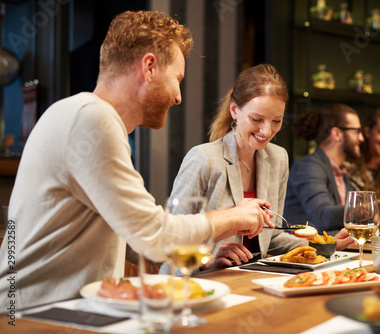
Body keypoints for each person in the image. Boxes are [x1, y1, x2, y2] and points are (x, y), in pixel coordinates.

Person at [0, 11, 274, 310]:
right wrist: (234, 216)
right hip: (28, 316)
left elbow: (135, 241)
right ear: (149, 67)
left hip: (56, 310)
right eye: (177, 79)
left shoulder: (83, 115)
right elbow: (154, 235)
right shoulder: (92, 120)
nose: (178, 96)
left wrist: (216, 235)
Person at [166, 65, 355, 268]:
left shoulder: (278, 157)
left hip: (253, 277)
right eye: (257, 119)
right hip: (195, 282)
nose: (266, 131)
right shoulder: (203, 158)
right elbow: (171, 238)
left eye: (276, 121)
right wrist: (209, 260)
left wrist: (327, 244)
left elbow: (272, 237)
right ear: (234, 111)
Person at [284, 104, 380, 235]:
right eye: (356, 132)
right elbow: (323, 216)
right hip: (306, 256)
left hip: (335, 254)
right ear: (337, 134)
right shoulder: (308, 166)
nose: (361, 138)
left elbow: (353, 219)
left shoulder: (340, 172)